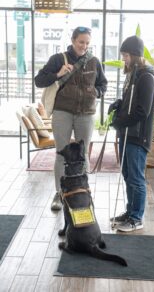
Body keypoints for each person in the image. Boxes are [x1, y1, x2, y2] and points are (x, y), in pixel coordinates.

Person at [35, 26, 107, 211]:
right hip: (62, 112)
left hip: (86, 113)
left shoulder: (94, 61)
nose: (84, 46)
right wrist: (58, 74)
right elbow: (39, 80)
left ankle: (81, 192)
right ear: (73, 40)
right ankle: (59, 194)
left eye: (87, 43)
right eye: (81, 42)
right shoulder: (58, 59)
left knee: (83, 154)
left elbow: (103, 84)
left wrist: (96, 92)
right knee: (61, 153)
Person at [109, 35, 154, 232]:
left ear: (136, 55)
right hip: (127, 133)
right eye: (123, 55)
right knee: (127, 173)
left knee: (136, 178)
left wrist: (121, 121)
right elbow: (129, 103)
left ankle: (137, 218)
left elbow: (142, 111)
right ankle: (130, 212)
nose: (124, 59)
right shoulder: (133, 75)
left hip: (138, 136)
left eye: (126, 55)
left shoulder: (147, 76)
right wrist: (118, 105)